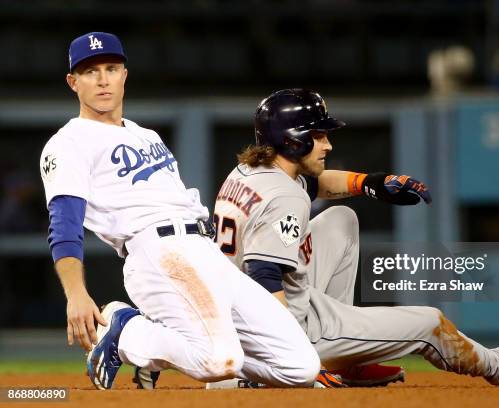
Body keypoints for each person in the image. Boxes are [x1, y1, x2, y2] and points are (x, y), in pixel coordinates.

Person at [211, 88, 499, 387]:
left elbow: (314, 185)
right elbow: (264, 273)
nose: (327, 145)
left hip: (239, 322)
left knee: (341, 220)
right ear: (293, 141)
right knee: (429, 323)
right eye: (318, 135)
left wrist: (371, 184)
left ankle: (343, 361)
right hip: (276, 333)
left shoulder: (250, 169)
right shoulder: (285, 196)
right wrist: (293, 360)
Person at [39, 33, 320, 391]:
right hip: (158, 254)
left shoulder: (146, 135)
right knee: (219, 360)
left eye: (111, 68)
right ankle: (127, 329)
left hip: (206, 251)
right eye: (90, 71)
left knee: (301, 368)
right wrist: (76, 293)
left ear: (125, 74)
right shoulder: (68, 143)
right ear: (73, 82)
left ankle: (212, 358)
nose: (103, 79)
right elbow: (64, 224)